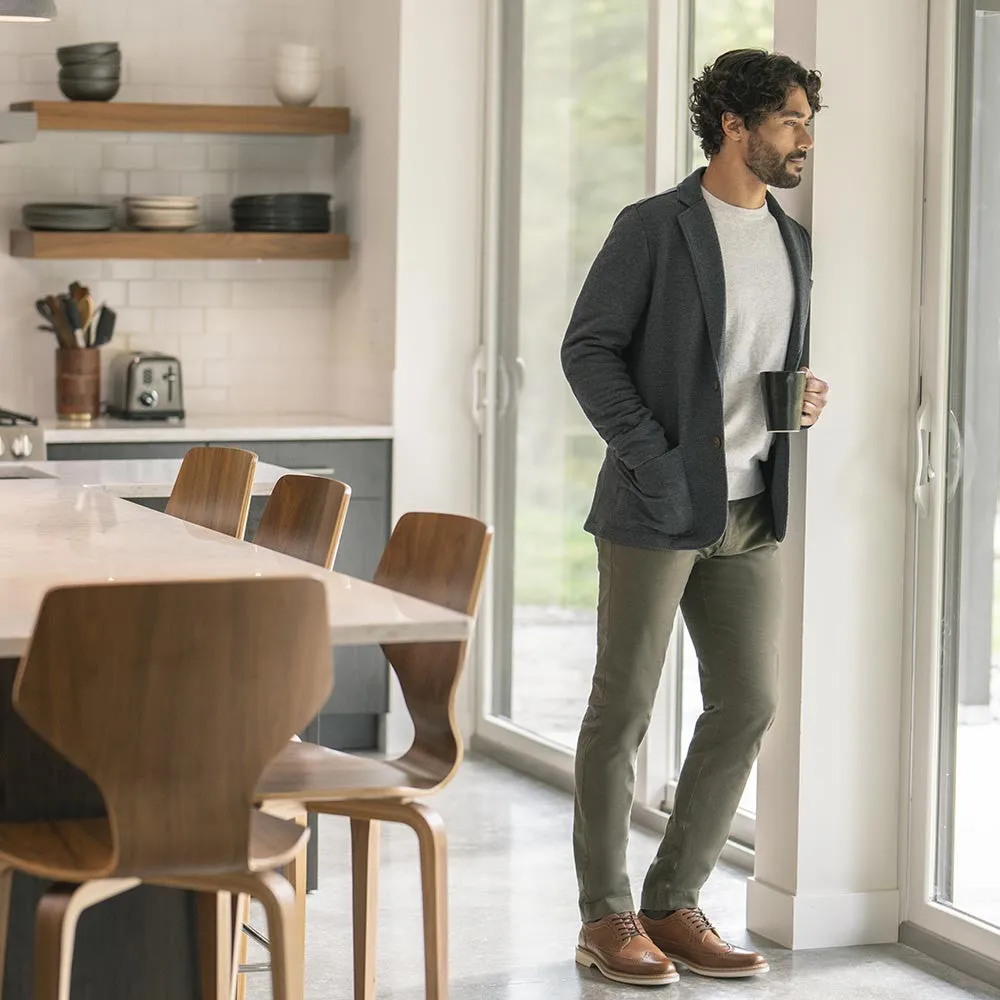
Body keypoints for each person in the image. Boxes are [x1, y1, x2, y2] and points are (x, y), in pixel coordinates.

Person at [561, 49, 829, 987]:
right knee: (623, 708)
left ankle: (675, 904)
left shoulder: (793, 241)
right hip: (654, 506)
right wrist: (654, 455)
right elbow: (587, 350)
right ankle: (606, 916)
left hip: (752, 503)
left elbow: (747, 364)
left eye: (806, 122)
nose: (804, 138)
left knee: (748, 702)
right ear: (734, 124)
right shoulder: (654, 229)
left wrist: (797, 398)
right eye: (791, 119)